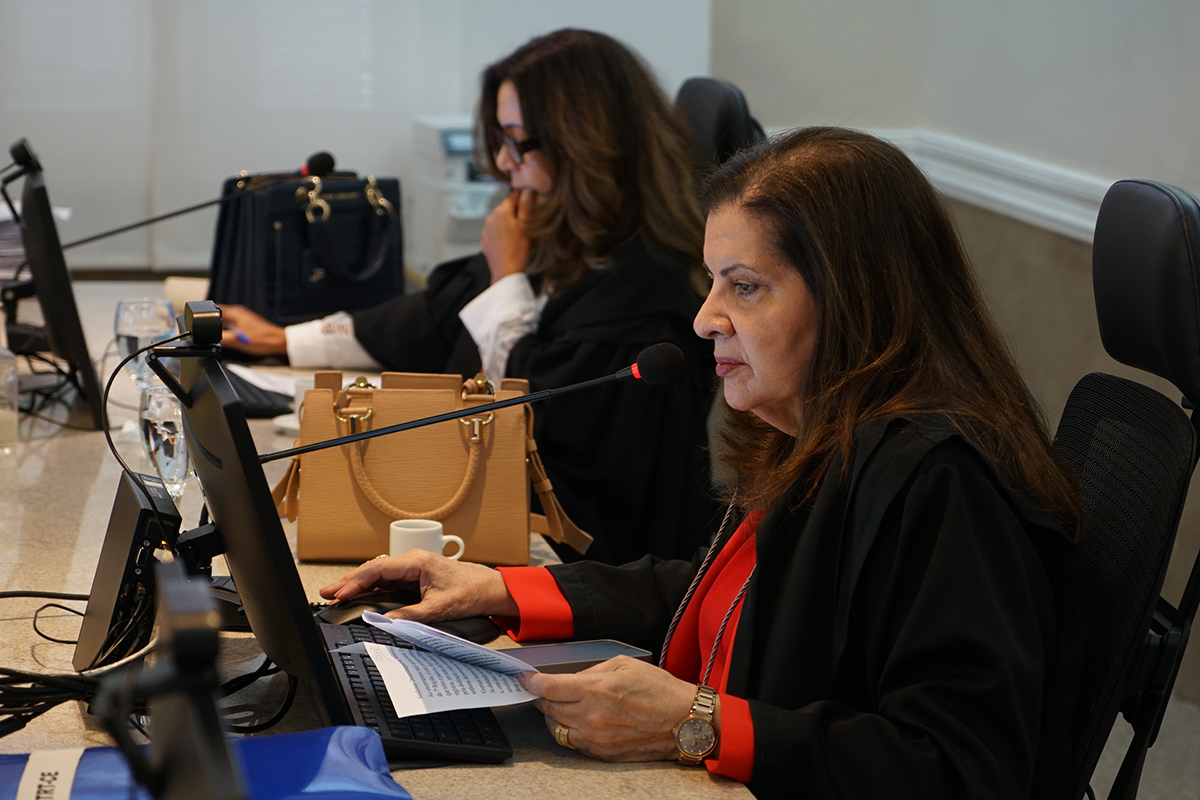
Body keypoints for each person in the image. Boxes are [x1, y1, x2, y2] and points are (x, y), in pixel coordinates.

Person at [320, 127, 1086, 799]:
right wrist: (502, 589)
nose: (703, 318)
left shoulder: (939, 478)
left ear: (852, 299)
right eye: (714, 281)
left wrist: (698, 724)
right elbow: (725, 594)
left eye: (744, 288)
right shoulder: (821, 429)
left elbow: (959, 768)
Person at [222, 29, 719, 565]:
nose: (504, 163)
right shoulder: (562, 237)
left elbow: (541, 418)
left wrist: (507, 279)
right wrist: (286, 339)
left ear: (586, 145)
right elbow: (430, 320)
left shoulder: (645, 294)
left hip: (591, 572)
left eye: (516, 140)